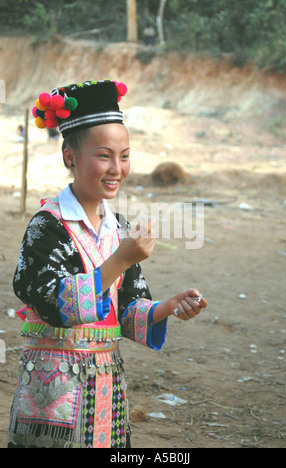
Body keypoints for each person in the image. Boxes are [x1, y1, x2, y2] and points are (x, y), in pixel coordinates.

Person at [7, 80, 207, 449]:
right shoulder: (46, 226)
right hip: (53, 395)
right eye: (104, 155)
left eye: (125, 155)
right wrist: (120, 259)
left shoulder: (117, 227)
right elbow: (52, 303)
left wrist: (169, 306)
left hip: (106, 390)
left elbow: (126, 309)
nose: (117, 168)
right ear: (70, 156)